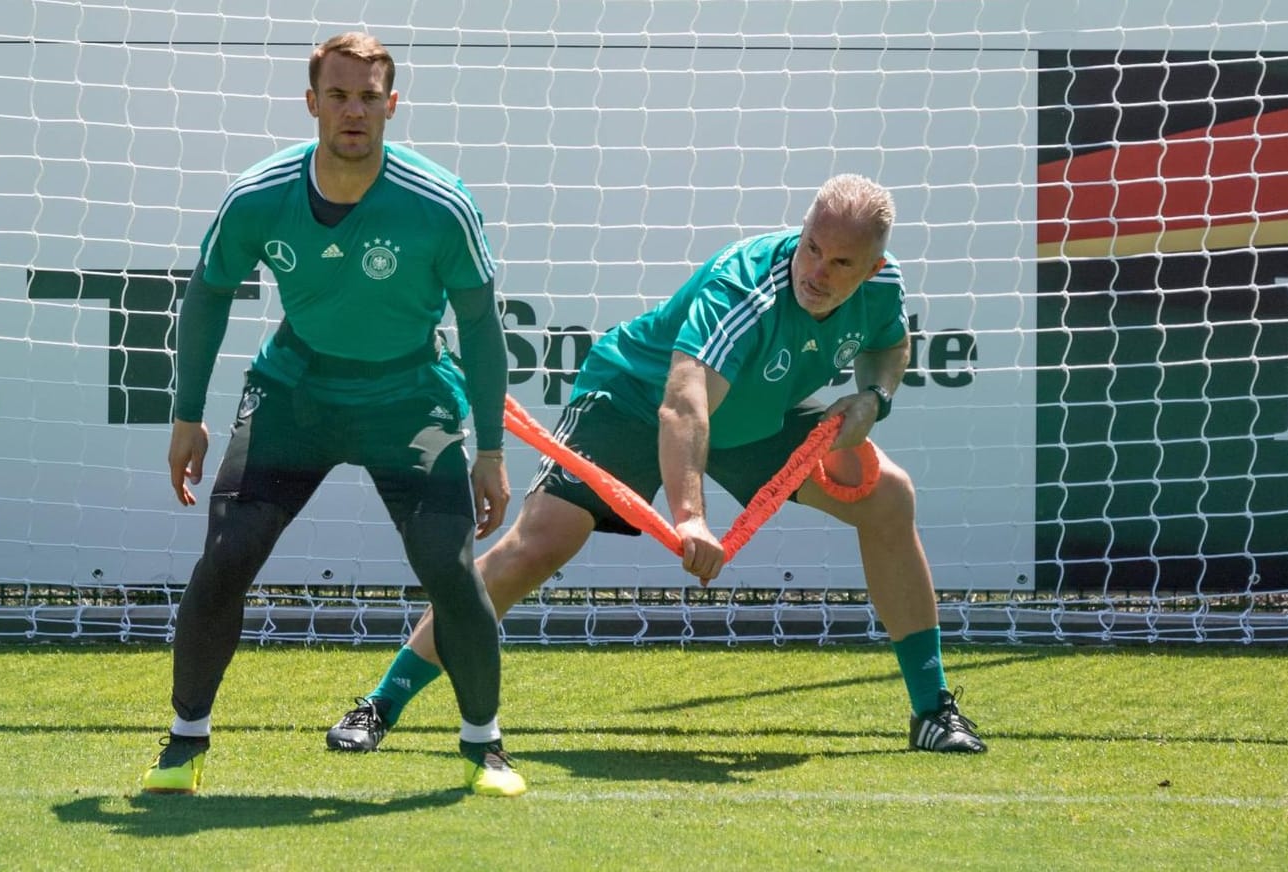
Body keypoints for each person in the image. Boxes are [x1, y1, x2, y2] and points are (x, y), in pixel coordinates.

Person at [327, 173, 986, 756]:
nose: (815, 271)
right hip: (636, 400)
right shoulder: (747, 287)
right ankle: (380, 704)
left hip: (754, 417)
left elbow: (887, 347)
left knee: (887, 494)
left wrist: (875, 395)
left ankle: (932, 710)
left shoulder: (881, 284)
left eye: (839, 262)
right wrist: (691, 517)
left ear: (872, 266)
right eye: (811, 247)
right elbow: (683, 403)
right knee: (541, 543)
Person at [141, 32, 526, 798]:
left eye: (369, 96)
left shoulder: (438, 204)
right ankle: (183, 745)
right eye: (339, 95)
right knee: (226, 554)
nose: (355, 111)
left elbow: (481, 327)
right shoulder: (259, 194)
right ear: (312, 102)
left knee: (449, 569)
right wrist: (186, 414)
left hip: (411, 400)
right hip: (295, 394)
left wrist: (489, 448)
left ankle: (483, 746)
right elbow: (210, 292)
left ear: (392, 104)